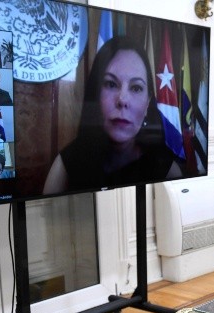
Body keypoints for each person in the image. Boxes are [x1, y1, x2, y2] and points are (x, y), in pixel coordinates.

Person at [42, 36, 183, 194]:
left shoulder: (167, 169)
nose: (122, 100)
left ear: (148, 103)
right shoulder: (65, 166)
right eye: (111, 84)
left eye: (136, 88)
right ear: (96, 94)